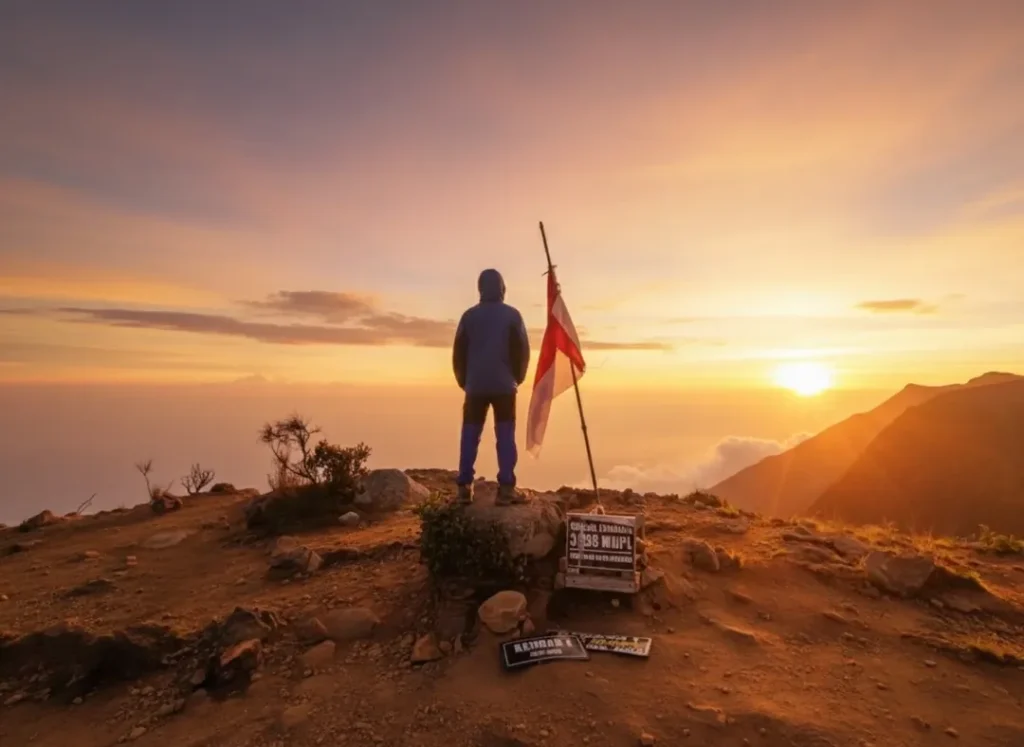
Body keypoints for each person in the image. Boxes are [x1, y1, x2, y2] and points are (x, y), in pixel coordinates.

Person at [452, 268, 531, 506]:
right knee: (505, 435)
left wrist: (464, 381)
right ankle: (506, 489)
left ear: (480, 289)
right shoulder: (512, 316)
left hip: (475, 385)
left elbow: (458, 352)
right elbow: (522, 351)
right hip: (505, 386)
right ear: (502, 288)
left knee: (470, 434)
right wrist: (517, 378)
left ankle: (464, 488)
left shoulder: (468, 317)